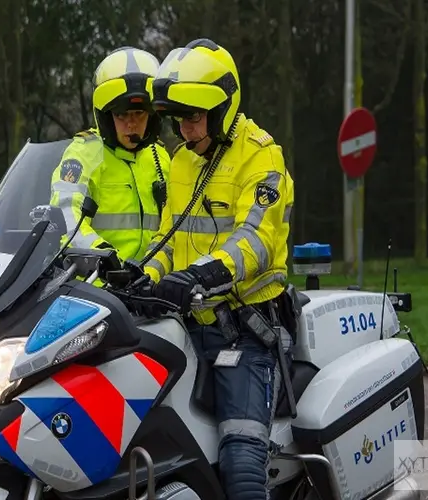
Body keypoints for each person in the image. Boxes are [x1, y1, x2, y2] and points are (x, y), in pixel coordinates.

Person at [142, 38, 295, 499]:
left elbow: (257, 240)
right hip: (187, 327)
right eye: (180, 120)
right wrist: (142, 275)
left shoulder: (261, 155)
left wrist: (202, 274)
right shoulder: (183, 161)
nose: (186, 130)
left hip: (246, 332)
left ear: (223, 106)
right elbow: (168, 240)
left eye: (194, 118)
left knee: (241, 462)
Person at [49, 47, 171, 265]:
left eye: (139, 114)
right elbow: (64, 213)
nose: (131, 123)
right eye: (121, 114)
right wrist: (101, 255)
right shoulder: (85, 152)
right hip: (95, 286)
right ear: (106, 116)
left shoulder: (160, 157)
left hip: (149, 286)